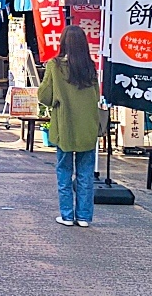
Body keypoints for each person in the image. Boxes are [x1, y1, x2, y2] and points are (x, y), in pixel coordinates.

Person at [39, 25, 101, 228]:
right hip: (88, 125)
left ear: (63, 43)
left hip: (65, 125)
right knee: (86, 173)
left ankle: (67, 215)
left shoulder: (55, 66)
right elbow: (96, 97)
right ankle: (84, 216)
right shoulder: (90, 67)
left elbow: (44, 96)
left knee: (64, 171)